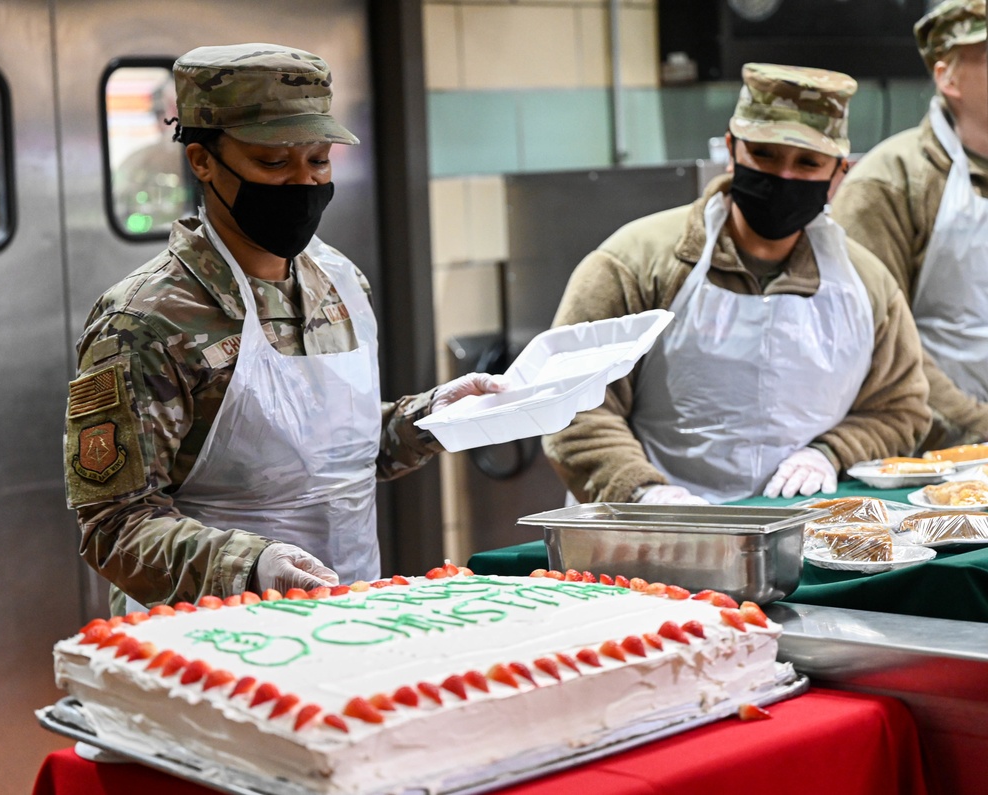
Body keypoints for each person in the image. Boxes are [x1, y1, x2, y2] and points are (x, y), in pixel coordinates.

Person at [64, 43, 505, 614]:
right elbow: (114, 525)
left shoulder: (340, 285)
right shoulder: (146, 321)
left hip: (347, 612)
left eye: (318, 161)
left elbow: (327, 455)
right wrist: (249, 567)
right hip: (208, 636)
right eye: (273, 163)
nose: (302, 182)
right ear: (202, 161)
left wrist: (431, 417)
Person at [542, 63, 931, 506]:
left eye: (808, 163)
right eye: (764, 154)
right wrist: (644, 492)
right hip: (645, 539)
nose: (784, 176)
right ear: (732, 151)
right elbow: (570, 404)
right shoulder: (636, 261)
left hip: (801, 535)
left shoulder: (866, 285)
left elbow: (900, 409)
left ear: (838, 174)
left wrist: (830, 452)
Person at [831, 0, 988, 451]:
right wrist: (975, 426)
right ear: (947, 78)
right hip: (933, 452)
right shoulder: (890, 183)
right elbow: (877, 342)